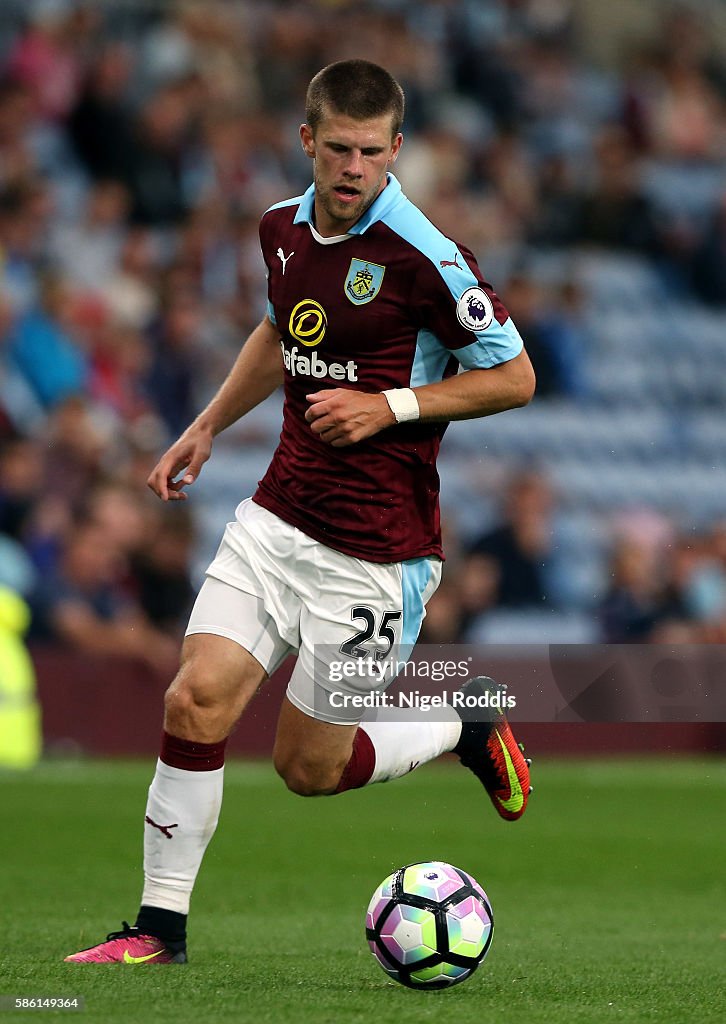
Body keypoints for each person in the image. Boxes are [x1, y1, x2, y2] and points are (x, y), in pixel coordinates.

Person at [65, 59, 534, 966]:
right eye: (339, 149)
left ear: (397, 150)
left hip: (374, 551)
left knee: (307, 770)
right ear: (307, 140)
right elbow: (284, 332)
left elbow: (515, 376)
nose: (355, 167)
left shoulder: (427, 258)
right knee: (193, 698)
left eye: (373, 152)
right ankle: (157, 932)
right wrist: (205, 425)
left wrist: (389, 407)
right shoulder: (280, 229)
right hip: (276, 516)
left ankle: (462, 721)